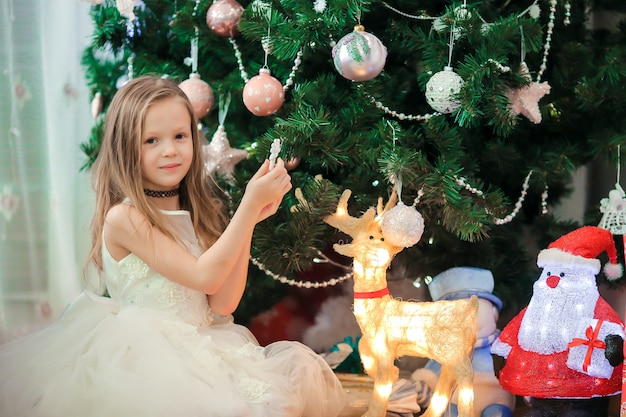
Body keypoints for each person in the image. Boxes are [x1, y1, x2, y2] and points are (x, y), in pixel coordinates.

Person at [0, 75, 347, 417]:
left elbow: (223, 301)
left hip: (204, 345)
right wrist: (247, 206)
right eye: (151, 140)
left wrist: (250, 220)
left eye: (180, 136)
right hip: (146, 359)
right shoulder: (124, 218)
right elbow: (204, 277)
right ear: (125, 148)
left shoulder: (200, 212)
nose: (170, 150)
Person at [491, 225, 625, 417]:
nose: (552, 281)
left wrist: (613, 344)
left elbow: (612, 330)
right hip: (540, 395)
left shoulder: (594, 307)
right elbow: (513, 332)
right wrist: (500, 354)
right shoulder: (533, 311)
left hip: (585, 393)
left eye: (562, 275)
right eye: (548, 274)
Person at [411, 266, 515, 417]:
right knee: (449, 412)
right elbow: (432, 371)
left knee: (497, 413)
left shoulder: (501, 347)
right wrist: (424, 385)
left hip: (495, 399)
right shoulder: (447, 349)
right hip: (454, 399)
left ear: (494, 314)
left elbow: (516, 368)